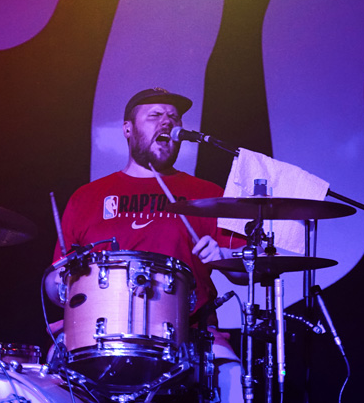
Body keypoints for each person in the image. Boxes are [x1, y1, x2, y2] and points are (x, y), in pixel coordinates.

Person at [48, 87, 244, 402]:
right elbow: (56, 287)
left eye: (174, 117)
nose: (167, 122)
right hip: (96, 338)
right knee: (48, 378)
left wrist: (222, 255)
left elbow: (244, 272)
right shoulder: (86, 197)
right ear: (128, 129)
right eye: (155, 115)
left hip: (190, 335)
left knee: (232, 378)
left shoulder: (206, 194)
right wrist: (62, 281)